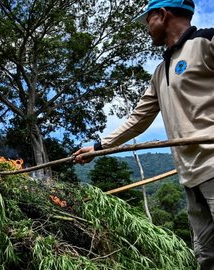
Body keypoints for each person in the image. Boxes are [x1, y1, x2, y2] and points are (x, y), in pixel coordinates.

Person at [73, 0, 214, 268]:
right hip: (190, 176)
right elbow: (138, 119)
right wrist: (99, 146)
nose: (146, 28)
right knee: (206, 256)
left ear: (162, 14)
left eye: (148, 20)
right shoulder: (161, 72)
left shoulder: (206, 42)